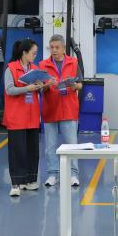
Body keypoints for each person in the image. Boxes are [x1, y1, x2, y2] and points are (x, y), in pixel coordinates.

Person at [3, 38, 54, 198]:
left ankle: (30, 180)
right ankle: (16, 184)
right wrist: (27, 88)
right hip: (16, 116)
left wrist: (43, 86)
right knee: (17, 151)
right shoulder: (11, 68)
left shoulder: (35, 69)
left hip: (32, 115)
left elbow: (37, 90)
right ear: (24, 52)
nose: (35, 56)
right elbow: (9, 90)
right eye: (33, 53)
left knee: (32, 150)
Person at [40, 34, 83, 188]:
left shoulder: (73, 62)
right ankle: (53, 174)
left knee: (72, 145)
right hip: (50, 110)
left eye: (57, 47)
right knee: (50, 147)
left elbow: (80, 84)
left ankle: (73, 174)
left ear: (64, 48)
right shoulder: (43, 65)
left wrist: (74, 86)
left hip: (68, 110)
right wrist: (46, 85)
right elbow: (40, 88)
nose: (54, 50)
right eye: (51, 47)